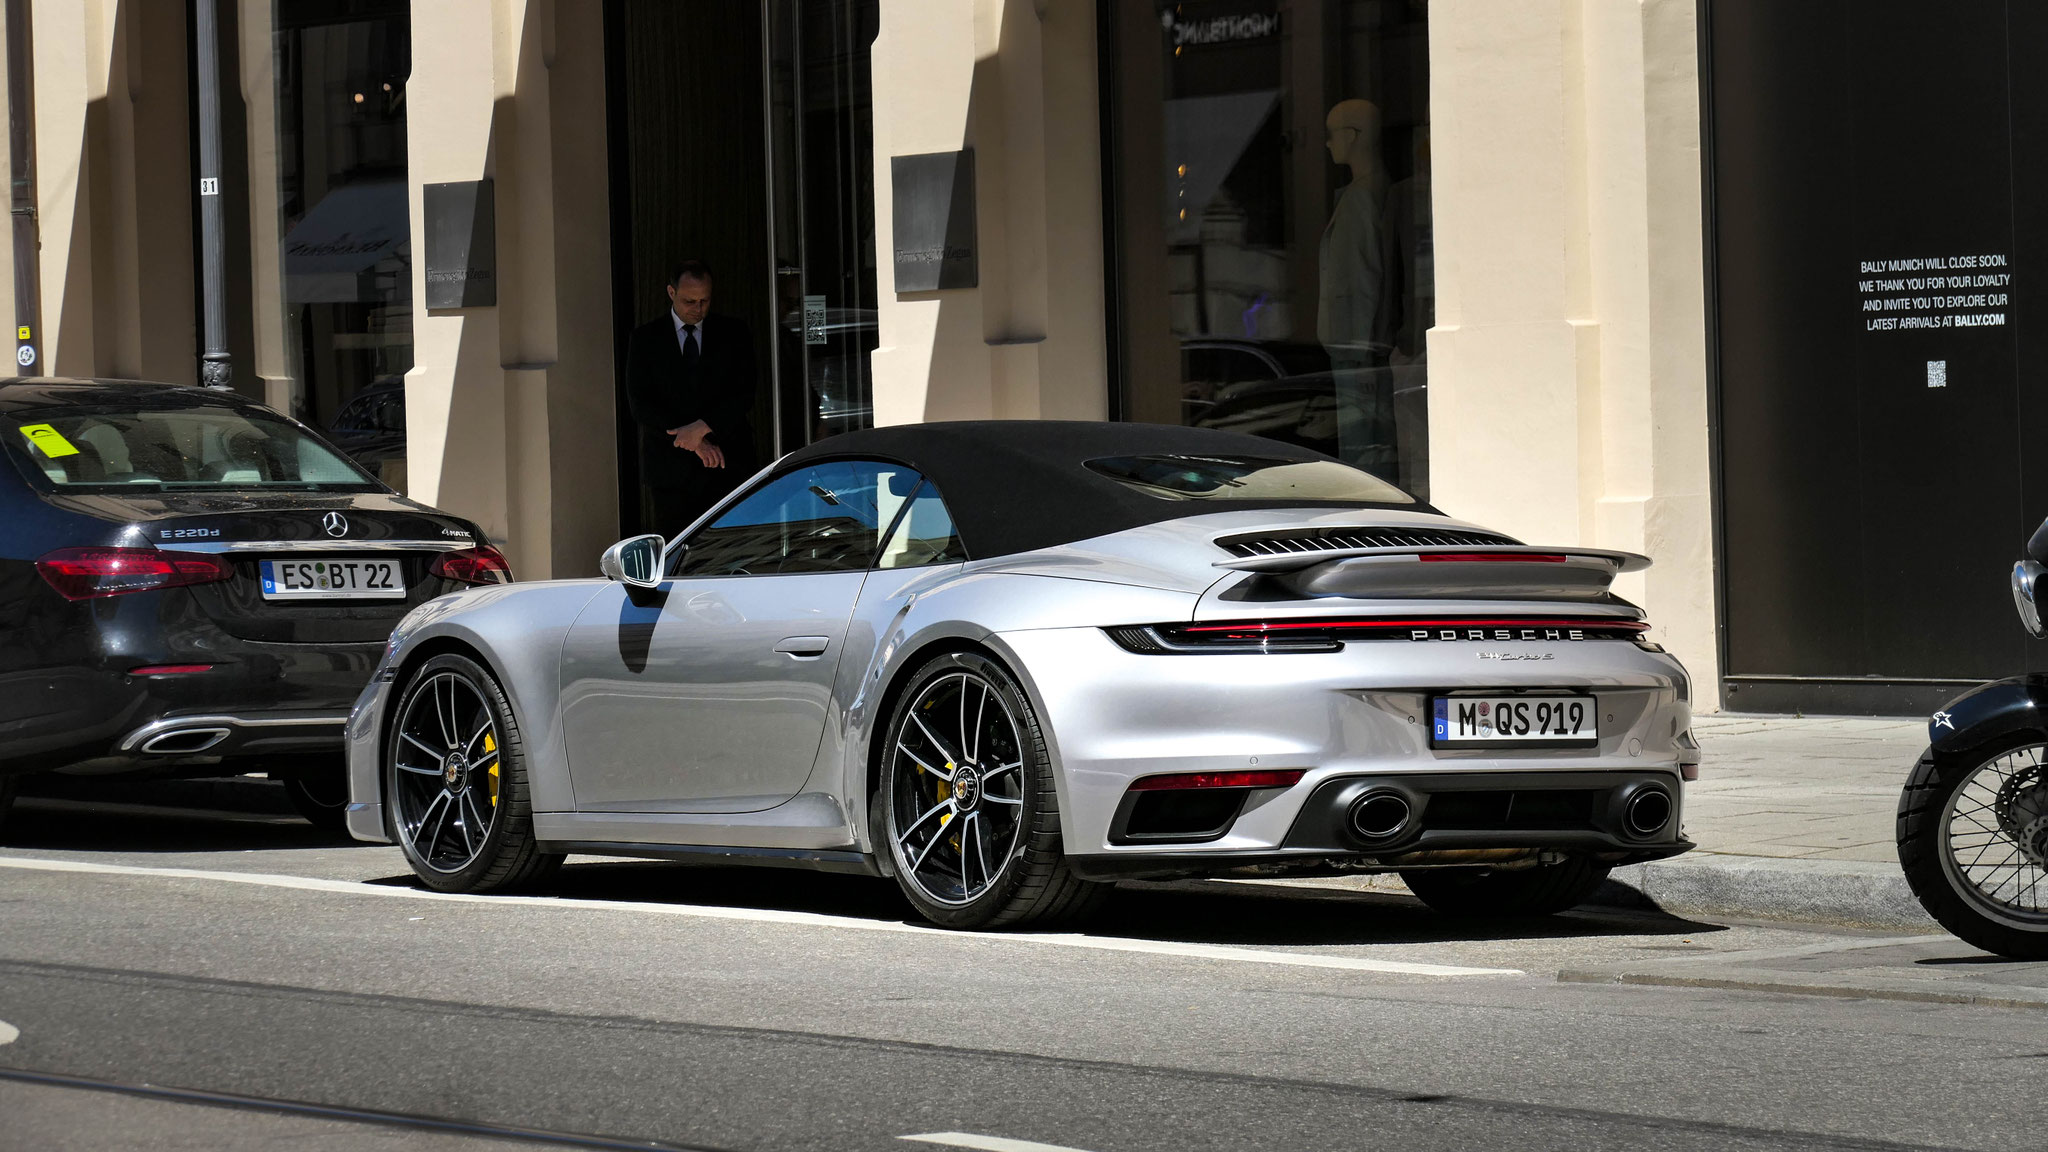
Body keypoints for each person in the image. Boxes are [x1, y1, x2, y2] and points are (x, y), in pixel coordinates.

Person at [624, 261, 759, 537]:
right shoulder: (645, 339)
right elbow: (641, 404)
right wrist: (692, 439)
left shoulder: (733, 333)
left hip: (727, 463)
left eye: (704, 301)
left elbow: (744, 393)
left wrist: (704, 426)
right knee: (678, 549)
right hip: (671, 472)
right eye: (689, 301)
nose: (698, 309)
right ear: (671, 292)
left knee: (731, 546)